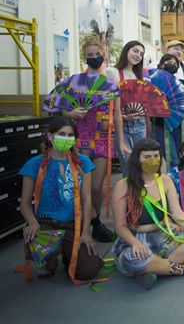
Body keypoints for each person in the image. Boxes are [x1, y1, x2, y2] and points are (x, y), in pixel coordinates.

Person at [111, 138, 184, 290]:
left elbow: (177, 213)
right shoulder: (123, 185)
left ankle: (154, 268)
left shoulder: (165, 180)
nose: (153, 160)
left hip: (163, 236)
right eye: (147, 157)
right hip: (133, 240)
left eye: (156, 156)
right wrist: (136, 244)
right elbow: (120, 226)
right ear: (137, 159)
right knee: (131, 258)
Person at [19, 117, 103, 280]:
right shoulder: (34, 164)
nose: (66, 139)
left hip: (73, 224)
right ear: (50, 137)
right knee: (46, 267)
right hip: (45, 222)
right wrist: (33, 222)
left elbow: (87, 199)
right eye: (61, 134)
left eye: (70, 135)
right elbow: (24, 203)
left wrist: (85, 232)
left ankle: (66, 252)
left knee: (88, 270)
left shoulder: (83, 162)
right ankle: (50, 255)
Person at [65, 36, 129, 243]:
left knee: (97, 187)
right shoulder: (75, 81)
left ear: (103, 55)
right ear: (84, 57)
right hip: (80, 138)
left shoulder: (111, 84)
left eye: (97, 54)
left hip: (103, 138)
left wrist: (120, 142)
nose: (94, 57)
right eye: (90, 55)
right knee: (83, 184)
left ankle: (94, 218)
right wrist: (72, 113)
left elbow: (117, 115)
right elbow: (59, 109)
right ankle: (93, 222)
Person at [105, 40, 149, 176]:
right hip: (121, 125)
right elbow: (106, 102)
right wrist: (123, 117)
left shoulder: (141, 75)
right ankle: (128, 195)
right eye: (135, 51)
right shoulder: (111, 72)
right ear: (126, 50)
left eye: (141, 54)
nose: (138, 55)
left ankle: (141, 196)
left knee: (142, 165)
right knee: (128, 165)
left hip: (141, 124)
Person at [151, 53, 184, 167]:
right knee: (163, 155)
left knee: (177, 157)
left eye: (175, 64)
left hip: (177, 124)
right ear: (160, 65)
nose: (172, 65)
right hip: (159, 123)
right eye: (169, 63)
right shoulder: (152, 81)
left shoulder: (180, 84)